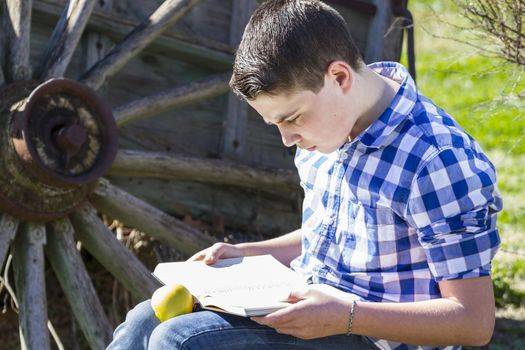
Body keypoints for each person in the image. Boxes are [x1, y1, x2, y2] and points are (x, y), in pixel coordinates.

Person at [106, 0, 502, 349]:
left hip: (378, 337)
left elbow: (472, 321)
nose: (287, 140)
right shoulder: (326, 131)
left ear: (340, 77)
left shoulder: (437, 160)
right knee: (146, 320)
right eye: (275, 124)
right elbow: (338, 235)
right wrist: (248, 253)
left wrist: (346, 315)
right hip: (313, 307)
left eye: (292, 118)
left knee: (178, 341)